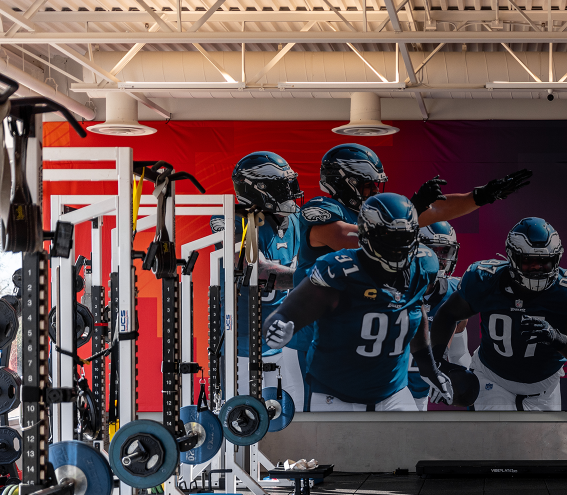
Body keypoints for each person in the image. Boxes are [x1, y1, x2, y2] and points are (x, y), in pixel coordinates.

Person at [279, 142, 532, 404]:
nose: (376, 189)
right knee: (309, 419)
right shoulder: (320, 209)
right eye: (369, 184)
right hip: (310, 338)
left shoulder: (377, 212)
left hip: (353, 337)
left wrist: (482, 195)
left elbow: (438, 210)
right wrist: (412, 208)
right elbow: (348, 237)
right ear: (343, 182)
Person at [262, 194, 451, 412]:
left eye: (404, 237)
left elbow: (414, 311)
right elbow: (290, 311)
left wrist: (429, 367)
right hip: (337, 395)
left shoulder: (422, 264)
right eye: (390, 237)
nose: (398, 246)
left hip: (393, 393)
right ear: (367, 235)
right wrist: (277, 325)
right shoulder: (339, 271)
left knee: (411, 445)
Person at [430, 217, 567, 411]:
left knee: (543, 442)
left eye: (544, 261)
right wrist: (437, 362)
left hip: (545, 387)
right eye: (529, 260)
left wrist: (556, 338)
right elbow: (447, 314)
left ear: (557, 259)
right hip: (492, 378)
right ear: (512, 257)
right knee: (495, 439)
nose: (537, 267)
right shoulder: (486, 280)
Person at [221, 151, 305, 411]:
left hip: (285, 343)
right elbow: (256, 269)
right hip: (244, 347)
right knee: (245, 425)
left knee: (293, 419)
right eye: (284, 188)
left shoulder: (296, 218)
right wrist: (312, 280)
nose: (291, 194)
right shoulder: (235, 220)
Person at [406, 222, 471, 410]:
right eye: (433, 250)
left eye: (445, 251)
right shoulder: (394, 288)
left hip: (419, 394)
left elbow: (459, 353)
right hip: (386, 387)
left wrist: (452, 375)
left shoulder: (455, 293)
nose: (440, 258)